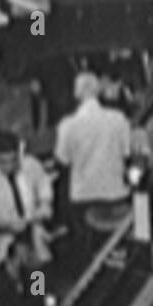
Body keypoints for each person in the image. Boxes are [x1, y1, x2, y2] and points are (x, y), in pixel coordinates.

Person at [54, 71, 132, 239]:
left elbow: (62, 159)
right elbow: (127, 152)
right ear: (98, 91)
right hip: (116, 193)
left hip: (83, 197)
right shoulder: (118, 119)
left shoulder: (67, 125)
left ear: (76, 94)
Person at [0, 130, 54, 276]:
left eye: (13, 160)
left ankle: (39, 295)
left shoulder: (31, 166)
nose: (9, 167)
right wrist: (3, 227)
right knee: (10, 294)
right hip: (1, 253)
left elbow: (44, 186)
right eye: (3, 162)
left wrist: (44, 206)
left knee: (38, 285)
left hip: (33, 244)